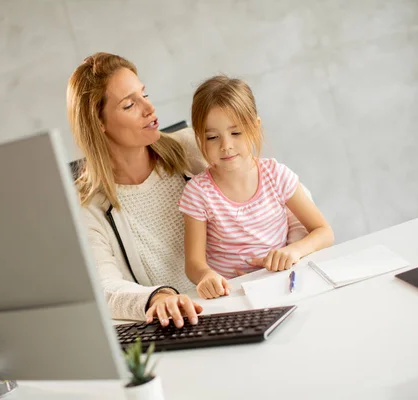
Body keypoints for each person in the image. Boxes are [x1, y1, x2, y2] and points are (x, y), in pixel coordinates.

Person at [66, 52, 310, 326]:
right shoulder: (88, 205)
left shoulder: (193, 147)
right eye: (129, 105)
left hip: (247, 299)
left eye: (144, 94)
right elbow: (105, 286)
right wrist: (157, 298)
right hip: (178, 325)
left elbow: (282, 199)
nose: (149, 109)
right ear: (98, 123)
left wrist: (285, 255)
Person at [179, 75, 335, 299]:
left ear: (254, 127)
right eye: (212, 137)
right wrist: (206, 276)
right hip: (232, 295)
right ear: (199, 138)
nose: (226, 146)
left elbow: (324, 232)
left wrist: (293, 251)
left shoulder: (276, 176)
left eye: (236, 133)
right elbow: (193, 263)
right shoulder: (198, 194)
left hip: (283, 284)